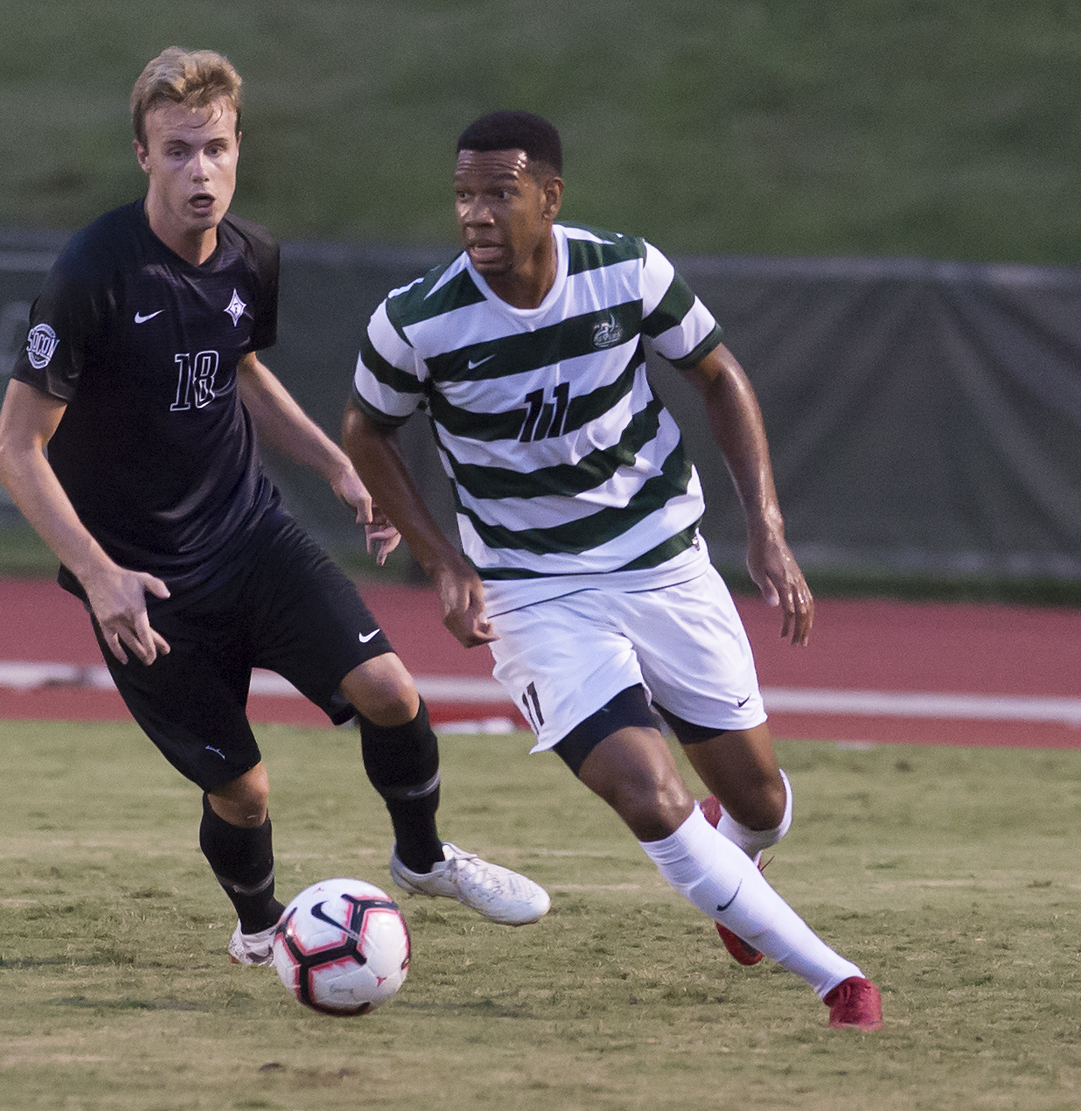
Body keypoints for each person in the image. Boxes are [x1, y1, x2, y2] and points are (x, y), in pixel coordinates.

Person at [0, 49, 549, 966]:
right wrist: (99, 577)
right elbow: (17, 450)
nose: (198, 171)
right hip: (145, 585)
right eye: (176, 152)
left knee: (392, 692)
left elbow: (242, 366)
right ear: (142, 156)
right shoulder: (92, 272)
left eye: (213, 148)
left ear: (239, 146)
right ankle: (259, 929)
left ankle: (421, 857)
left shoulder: (254, 256)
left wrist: (336, 462)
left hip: (251, 536)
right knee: (243, 792)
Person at [340, 110, 881, 1029]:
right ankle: (838, 979)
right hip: (530, 587)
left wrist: (767, 528)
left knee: (760, 800)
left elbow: (719, 375)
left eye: (498, 193)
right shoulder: (415, 321)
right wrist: (441, 560)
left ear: (549, 198)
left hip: (663, 557)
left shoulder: (625, 269)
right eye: (463, 194)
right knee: (648, 792)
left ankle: (737, 872)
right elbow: (365, 431)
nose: (474, 213)